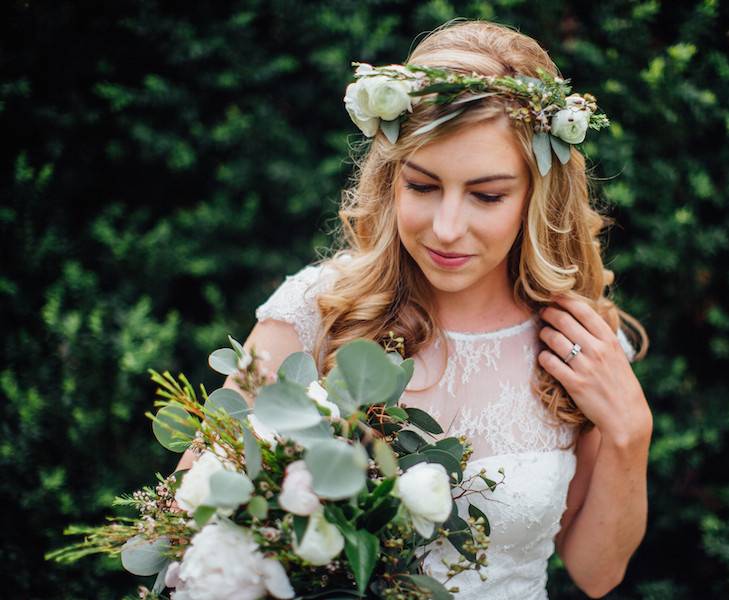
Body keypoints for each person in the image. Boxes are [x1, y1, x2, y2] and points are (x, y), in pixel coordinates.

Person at [177, 18, 651, 600]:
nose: (447, 229)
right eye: (423, 186)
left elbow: (596, 574)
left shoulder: (581, 343)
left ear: (537, 193)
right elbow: (189, 528)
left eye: (486, 195)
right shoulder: (313, 314)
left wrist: (630, 433)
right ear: (390, 178)